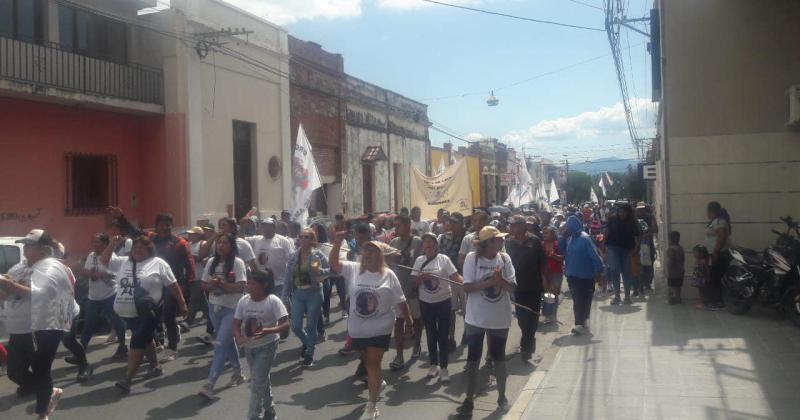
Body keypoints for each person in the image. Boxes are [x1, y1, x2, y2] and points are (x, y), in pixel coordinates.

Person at [329, 233, 413, 420]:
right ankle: (378, 382)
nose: (368, 254)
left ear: (380, 256)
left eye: (373, 251)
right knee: (367, 359)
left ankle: (372, 405)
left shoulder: (389, 275)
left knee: (374, 363)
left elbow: (401, 301)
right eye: (366, 251)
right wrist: (337, 241)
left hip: (380, 327)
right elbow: (334, 264)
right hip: (357, 329)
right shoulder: (354, 269)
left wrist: (408, 321)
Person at [1, 229, 78, 419]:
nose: (25, 249)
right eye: (24, 245)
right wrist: (8, 286)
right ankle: (45, 392)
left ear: (43, 249)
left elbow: (41, 294)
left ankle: (42, 409)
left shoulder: (50, 267)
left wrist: (10, 285)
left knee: (40, 368)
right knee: (16, 371)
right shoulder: (19, 267)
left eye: (29, 245)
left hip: (40, 325)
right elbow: (7, 293)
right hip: (19, 326)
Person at [100, 235, 188, 394]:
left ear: (150, 250)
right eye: (135, 248)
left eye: (142, 248)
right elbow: (104, 260)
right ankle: (155, 366)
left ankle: (127, 379)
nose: (138, 251)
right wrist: (112, 244)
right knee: (146, 339)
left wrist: (182, 303)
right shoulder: (123, 262)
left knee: (137, 341)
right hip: (127, 313)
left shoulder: (158, 263)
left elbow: (173, 285)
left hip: (149, 312)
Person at [108, 208, 195, 362]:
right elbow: (134, 232)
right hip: (152, 284)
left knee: (168, 317)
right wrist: (121, 217)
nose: (165, 227)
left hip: (170, 284)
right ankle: (157, 344)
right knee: (152, 317)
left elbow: (190, 266)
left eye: (168, 225)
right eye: (161, 224)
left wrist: (186, 287)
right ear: (156, 226)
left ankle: (172, 347)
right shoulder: (150, 237)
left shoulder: (180, 243)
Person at [457, 226, 516, 416]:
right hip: (476, 318)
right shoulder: (472, 259)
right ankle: (468, 399)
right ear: (489, 242)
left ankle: (502, 396)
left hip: (500, 318)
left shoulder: (505, 259)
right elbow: (467, 287)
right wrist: (490, 283)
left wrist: (501, 282)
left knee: (499, 358)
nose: (502, 241)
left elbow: (512, 288)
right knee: (473, 358)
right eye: (498, 239)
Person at [233, 269, 289, 420]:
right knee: (261, 379)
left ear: (263, 285)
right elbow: (236, 324)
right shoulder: (243, 301)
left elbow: (285, 324)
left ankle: (254, 416)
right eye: (249, 283)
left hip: (268, 345)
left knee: (257, 383)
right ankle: (270, 411)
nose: (249, 287)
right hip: (249, 348)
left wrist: (268, 331)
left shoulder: (272, 301)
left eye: (253, 284)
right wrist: (238, 337)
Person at [197, 233, 248, 400]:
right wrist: (211, 285)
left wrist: (222, 284)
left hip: (232, 309)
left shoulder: (238, 263)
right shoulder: (211, 262)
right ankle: (238, 373)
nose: (221, 246)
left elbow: (240, 287)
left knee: (219, 344)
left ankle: (209, 385)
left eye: (225, 243)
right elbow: (203, 285)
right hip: (214, 308)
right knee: (227, 341)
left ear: (232, 246)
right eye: (219, 243)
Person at [412, 233, 462, 382]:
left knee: (443, 335)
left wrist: (468, 285)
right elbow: (413, 282)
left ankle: (444, 368)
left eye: (431, 242)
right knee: (431, 335)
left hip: (443, 302)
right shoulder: (419, 261)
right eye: (425, 242)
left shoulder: (444, 259)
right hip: (426, 303)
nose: (428, 245)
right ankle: (433, 365)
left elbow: (455, 276)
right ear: (422, 247)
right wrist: (422, 278)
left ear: (436, 245)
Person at [75, 233, 128, 363]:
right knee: (88, 324)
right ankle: (80, 352)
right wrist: (96, 274)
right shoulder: (91, 256)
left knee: (116, 321)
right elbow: (84, 272)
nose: (94, 245)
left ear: (105, 244)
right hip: (93, 296)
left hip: (109, 295)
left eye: (97, 242)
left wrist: (94, 274)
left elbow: (111, 275)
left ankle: (123, 346)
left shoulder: (112, 257)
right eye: (93, 242)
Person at [284, 228, 330, 367]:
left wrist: (318, 271)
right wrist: (284, 297)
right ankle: (309, 344)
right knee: (296, 326)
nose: (303, 239)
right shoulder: (293, 256)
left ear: (312, 240)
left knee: (311, 325)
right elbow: (288, 278)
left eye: (307, 237)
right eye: (301, 236)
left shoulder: (317, 255)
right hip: (298, 294)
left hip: (314, 293)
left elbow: (330, 271)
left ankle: (309, 353)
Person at [505, 216, 548, 362]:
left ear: (523, 226)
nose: (511, 228)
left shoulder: (534, 241)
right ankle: (528, 340)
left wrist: (546, 282)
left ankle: (526, 348)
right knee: (522, 319)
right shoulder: (508, 243)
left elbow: (543, 263)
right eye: (510, 225)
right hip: (517, 288)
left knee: (533, 317)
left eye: (514, 225)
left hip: (534, 287)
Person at [388, 215, 423, 370]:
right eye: (395, 226)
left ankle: (417, 344)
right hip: (398, 289)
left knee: (416, 319)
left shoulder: (418, 241)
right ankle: (399, 355)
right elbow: (388, 264)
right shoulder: (393, 243)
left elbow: (422, 262)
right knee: (399, 321)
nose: (396, 229)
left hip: (414, 289)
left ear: (408, 225)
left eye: (399, 226)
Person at [561, 216, 605, 335]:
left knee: (586, 299)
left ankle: (583, 320)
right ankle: (579, 323)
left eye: (568, 226)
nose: (567, 228)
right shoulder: (569, 238)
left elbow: (595, 256)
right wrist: (561, 236)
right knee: (578, 299)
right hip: (572, 276)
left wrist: (599, 271)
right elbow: (562, 251)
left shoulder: (585, 239)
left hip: (586, 276)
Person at [437, 212, 466, 350]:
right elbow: (440, 255)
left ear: (461, 223)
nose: (452, 225)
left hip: (465, 278)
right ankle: (451, 338)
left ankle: (468, 332)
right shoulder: (444, 238)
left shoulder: (469, 237)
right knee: (451, 309)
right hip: (449, 278)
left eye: (455, 222)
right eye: (451, 222)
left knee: (467, 310)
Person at [248, 219, 295, 300]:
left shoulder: (283, 241)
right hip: (261, 284)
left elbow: (292, 260)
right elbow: (240, 240)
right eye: (263, 226)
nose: (265, 229)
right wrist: (242, 227)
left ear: (274, 228)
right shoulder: (255, 239)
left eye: (268, 226)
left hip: (279, 283)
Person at [604, 203, 640, 305]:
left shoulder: (632, 222)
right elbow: (606, 232)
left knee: (626, 273)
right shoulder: (612, 219)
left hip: (627, 250)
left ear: (628, 213)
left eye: (624, 212)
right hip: (613, 248)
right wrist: (603, 247)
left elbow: (637, 236)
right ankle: (617, 296)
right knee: (614, 270)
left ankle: (627, 297)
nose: (621, 214)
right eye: (620, 211)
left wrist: (636, 248)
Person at [704, 201, 732, 310]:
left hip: (719, 254)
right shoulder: (716, 221)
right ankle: (716, 301)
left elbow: (721, 237)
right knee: (714, 277)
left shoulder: (719, 222)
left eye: (707, 211)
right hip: (715, 253)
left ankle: (718, 302)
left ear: (711, 211)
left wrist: (715, 252)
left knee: (715, 278)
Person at [542, 227, 564, 324]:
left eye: (547, 233)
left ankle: (553, 316)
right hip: (544, 273)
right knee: (546, 294)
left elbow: (562, 258)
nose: (544, 235)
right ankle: (547, 315)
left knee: (553, 294)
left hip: (556, 273)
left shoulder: (558, 244)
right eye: (544, 233)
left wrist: (554, 255)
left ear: (552, 234)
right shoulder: (541, 245)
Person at [666, 231, 685, 304]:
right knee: (678, 286)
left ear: (670, 240)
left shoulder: (671, 249)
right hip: (680, 270)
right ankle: (679, 298)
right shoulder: (680, 248)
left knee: (673, 286)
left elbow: (671, 260)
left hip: (673, 271)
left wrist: (669, 268)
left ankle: (675, 298)